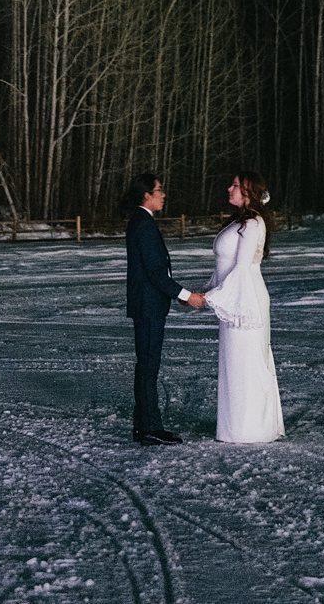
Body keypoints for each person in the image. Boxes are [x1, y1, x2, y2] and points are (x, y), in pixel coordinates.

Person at [202, 170, 285, 444]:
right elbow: (223, 268)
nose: (229, 188)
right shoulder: (238, 222)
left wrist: (210, 297)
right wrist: (207, 290)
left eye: (235, 185)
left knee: (246, 361)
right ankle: (236, 427)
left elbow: (240, 269)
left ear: (249, 191)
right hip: (234, 297)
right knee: (234, 362)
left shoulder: (253, 223)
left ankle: (251, 429)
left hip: (246, 298)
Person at [123, 172, 205, 445]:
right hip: (148, 305)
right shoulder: (143, 224)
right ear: (146, 194)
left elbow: (157, 272)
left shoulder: (142, 221)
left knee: (146, 366)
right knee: (148, 367)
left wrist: (178, 296)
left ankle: (143, 425)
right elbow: (156, 273)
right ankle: (150, 428)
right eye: (159, 190)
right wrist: (186, 295)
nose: (163, 194)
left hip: (149, 303)